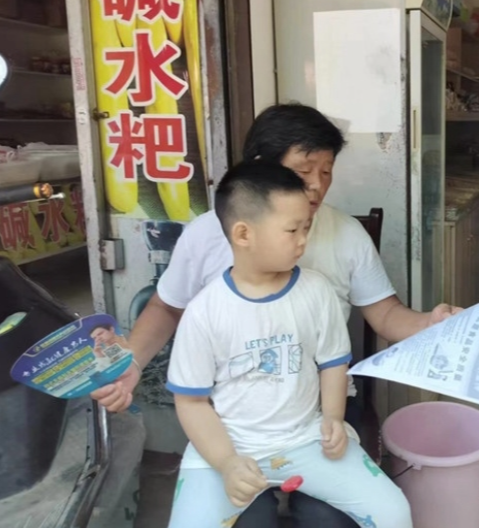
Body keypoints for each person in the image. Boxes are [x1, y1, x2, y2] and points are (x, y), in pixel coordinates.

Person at [92, 103, 459, 526]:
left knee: (333, 520)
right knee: (249, 519)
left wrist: (431, 324)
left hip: (316, 413)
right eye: (304, 170)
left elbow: (386, 314)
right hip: (231, 420)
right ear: (262, 169)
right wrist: (132, 362)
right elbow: (167, 307)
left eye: (327, 171)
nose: (317, 186)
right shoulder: (207, 243)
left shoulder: (342, 241)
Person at [165, 161, 412, 528]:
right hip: (230, 446)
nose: (303, 240)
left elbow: (332, 363)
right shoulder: (205, 311)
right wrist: (227, 463)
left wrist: (333, 417)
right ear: (244, 234)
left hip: (307, 438)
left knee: (394, 512)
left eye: (306, 227)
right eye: (292, 230)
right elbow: (191, 401)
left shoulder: (316, 291)